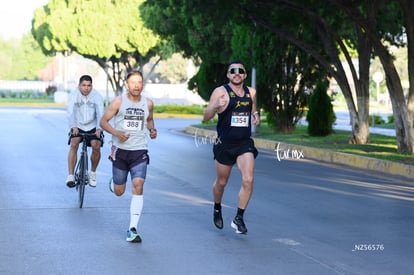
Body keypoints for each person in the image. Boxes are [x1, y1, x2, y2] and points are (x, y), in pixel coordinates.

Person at [203, 60, 260, 234]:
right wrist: (214, 106)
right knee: (221, 182)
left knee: (248, 179)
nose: (237, 74)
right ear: (228, 74)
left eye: (240, 71)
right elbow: (206, 117)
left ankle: (239, 218)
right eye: (233, 71)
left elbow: (252, 107)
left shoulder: (251, 92)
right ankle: (217, 208)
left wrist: (256, 114)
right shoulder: (220, 92)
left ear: (244, 74)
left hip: (244, 143)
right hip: (225, 144)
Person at [100, 70, 157, 243]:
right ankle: (116, 181)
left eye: (139, 82)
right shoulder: (118, 102)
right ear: (127, 85)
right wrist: (117, 132)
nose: (136, 85)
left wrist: (152, 130)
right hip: (120, 150)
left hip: (140, 150)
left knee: (138, 185)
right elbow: (103, 122)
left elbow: (149, 120)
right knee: (119, 191)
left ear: (143, 84)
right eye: (133, 82)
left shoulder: (148, 103)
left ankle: (132, 228)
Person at [66, 75, 104, 188]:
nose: (86, 88)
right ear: (79, 85)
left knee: (96, 145)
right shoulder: (73, 95)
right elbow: (70, 111)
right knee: (74, 143)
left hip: (93, 125)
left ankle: (92, 173)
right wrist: (73, 126)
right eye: (84, 85)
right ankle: (71, 175)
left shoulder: (97, 95)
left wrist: (99, 128)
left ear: (92, 86)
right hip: (78, 125)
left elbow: (100, 112)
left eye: (89, 85)